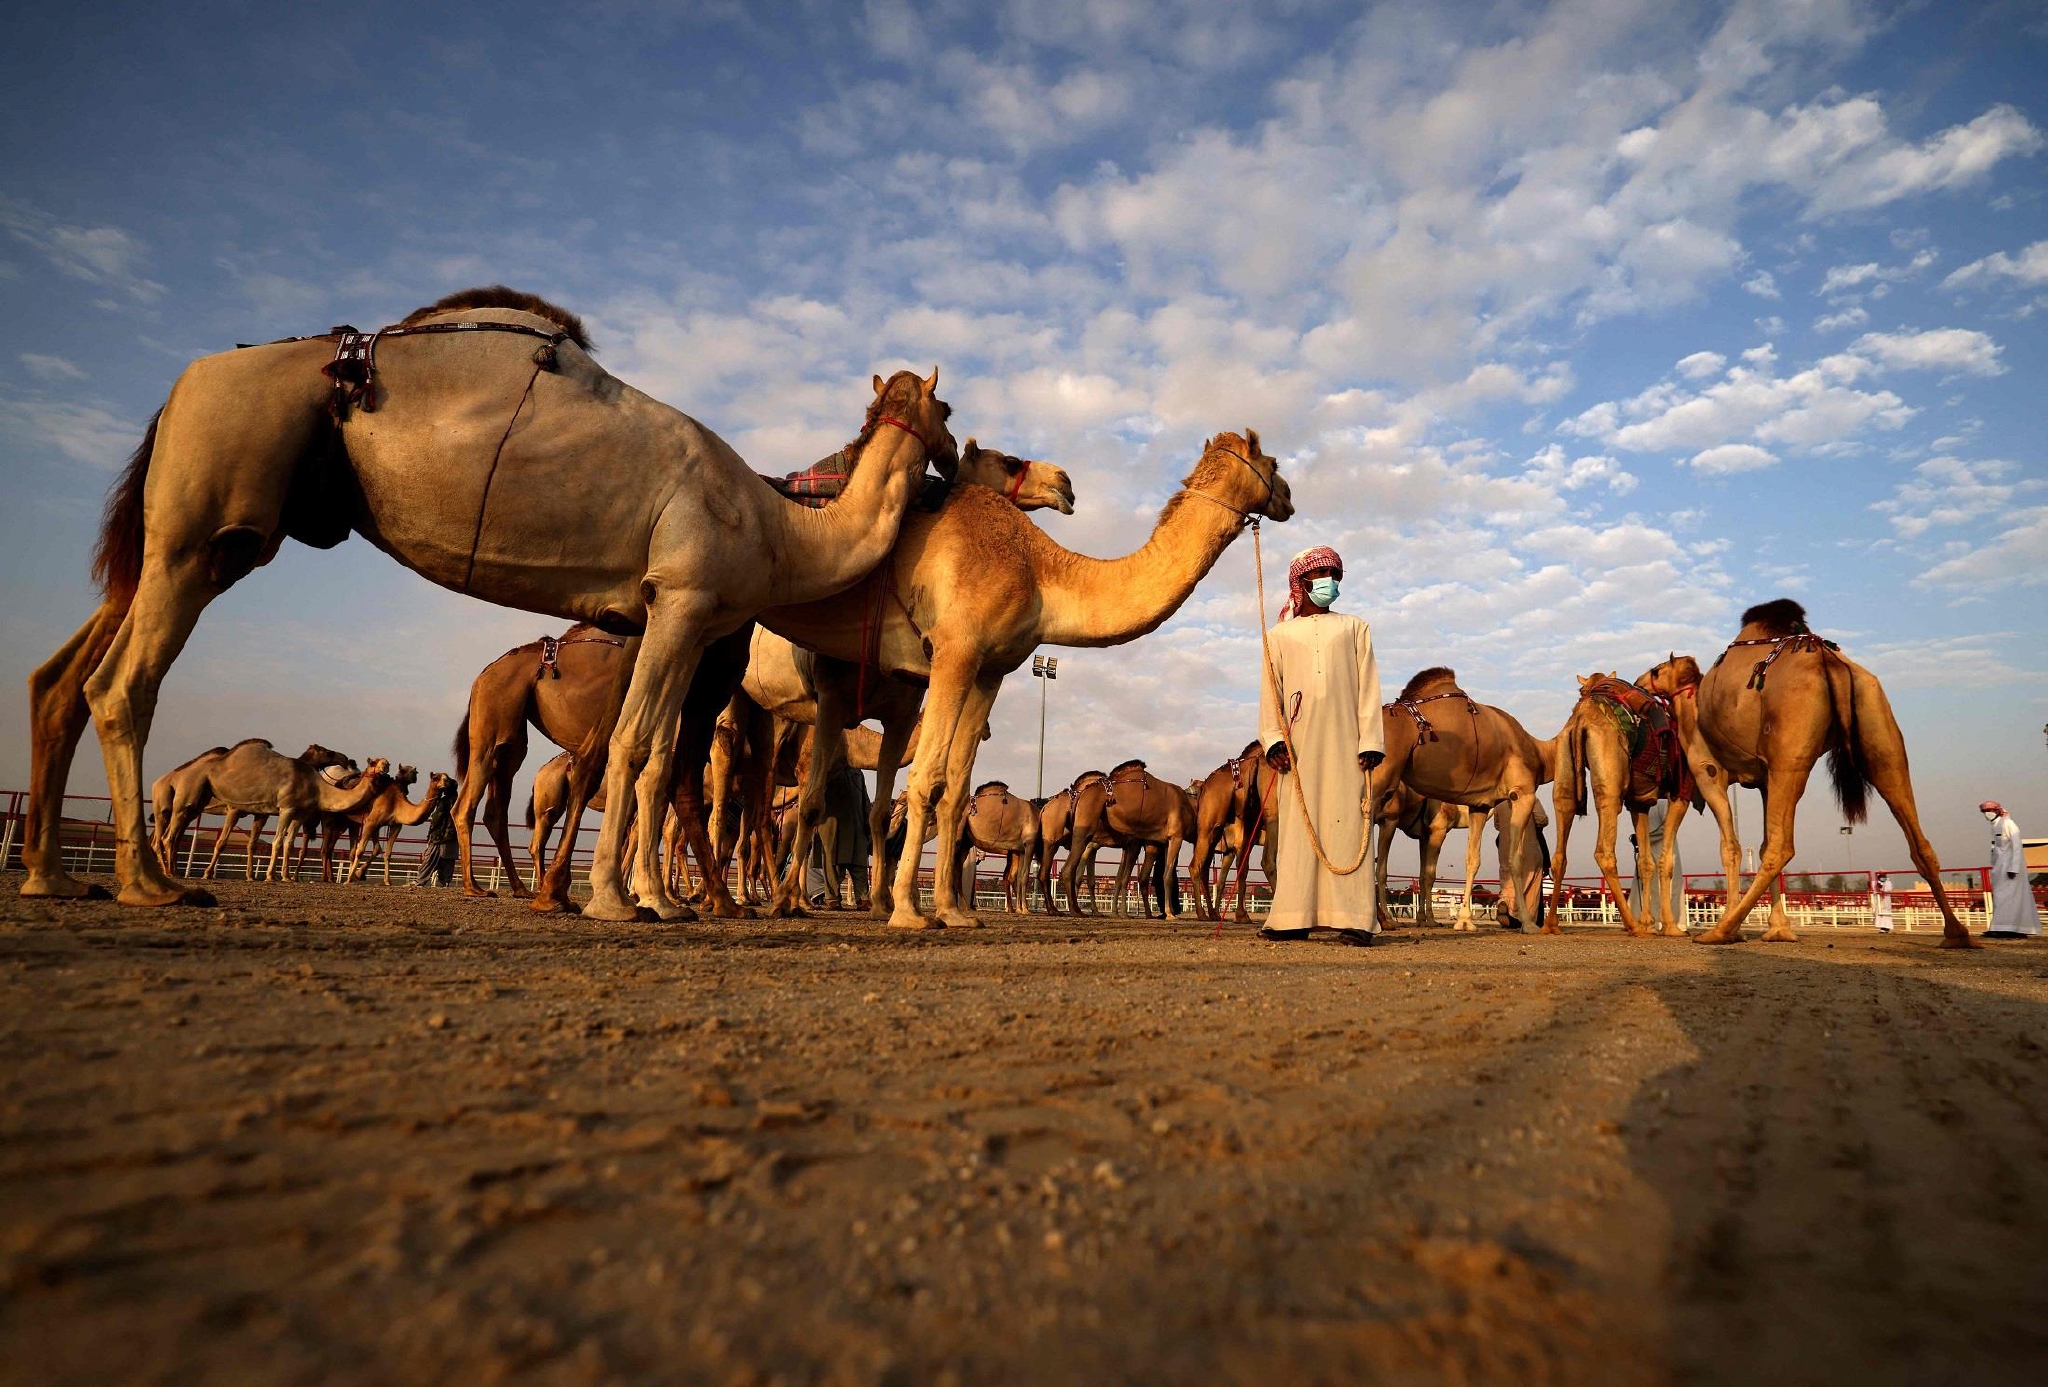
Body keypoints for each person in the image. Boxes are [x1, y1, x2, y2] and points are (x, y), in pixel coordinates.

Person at [1256, 546, 1384, 946]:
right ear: (1302, 581)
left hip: (1348, 742)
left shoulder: (1355, 627)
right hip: (1299, 745)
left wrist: (1371, 740)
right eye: (1323, 572)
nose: (1330, 579)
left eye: (1335, 573)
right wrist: (1274, 740)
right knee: (1298, 827)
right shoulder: (1278, 636)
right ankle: (1293, 917)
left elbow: (1368, 686)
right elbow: (1270, 693)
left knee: (1349, 824)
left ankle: (1356, 919)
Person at [1981, 800, 2037, 939]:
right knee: (2001, 898)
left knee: (2010, 898)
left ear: (1997, 810)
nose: (1987, 813)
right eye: (1984, 811)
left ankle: (2008, 928)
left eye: (1990, 810)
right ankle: (2000, 927)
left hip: (2010, 868)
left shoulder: (2008, 824)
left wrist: (2014, 867)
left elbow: (2017, 846)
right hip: (2000, 867)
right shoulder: (1995, 826)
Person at [1627, 799, 1685, 928]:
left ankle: (1669, 922)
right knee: (1644, 886)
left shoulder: (1664, 804)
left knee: (1669, 889)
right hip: (1648, 849)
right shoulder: (1648, 805)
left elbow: (1668, 827)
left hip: (1664, 848)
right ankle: (1640, 920)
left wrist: (1643, 837)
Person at [411, 779, 458, 887]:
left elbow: (437, 818)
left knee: (430, 859)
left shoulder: (444, 802)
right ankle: (445, 882)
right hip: (454, 837)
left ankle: (420, 881)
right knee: (448, 861)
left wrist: (431, 831)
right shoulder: (460, 801)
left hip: (440, 836)